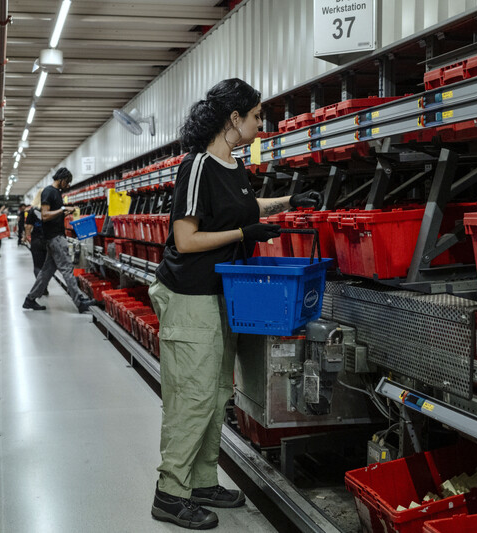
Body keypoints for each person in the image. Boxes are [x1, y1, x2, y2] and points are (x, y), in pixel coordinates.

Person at [148, 78, 322, 530]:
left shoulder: (233, 166)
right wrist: (245, 234)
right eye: (257, 116)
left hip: (221, 296)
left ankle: (202, 481)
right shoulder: (197, 166)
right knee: (192, 397)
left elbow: (243, 209)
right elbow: (185, 240)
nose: (261, 124)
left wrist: (287, 202)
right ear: (234, 118)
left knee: (216, 395)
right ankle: (170, 493)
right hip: (189, 297)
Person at [22, 168, 94, 313]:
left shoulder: (57, 193)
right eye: (67, 182)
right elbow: (45, 216)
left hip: (54, 237)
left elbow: (52, 215)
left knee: (46, 272)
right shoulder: (49, 192)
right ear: (61, 179)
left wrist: (65, 212)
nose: (68, 185)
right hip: (55, 238)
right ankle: (79, 301)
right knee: (67, 268)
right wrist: (62, 210)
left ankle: (30, 299)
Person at [24, 188, 50, 295]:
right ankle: (44, 286)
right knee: (46, 266)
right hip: (49, 240)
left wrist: (27, 236)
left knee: (37, 266)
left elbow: (28, 226)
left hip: (36, 240)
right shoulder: (50, 209)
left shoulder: (32, 210)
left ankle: (42, 287)